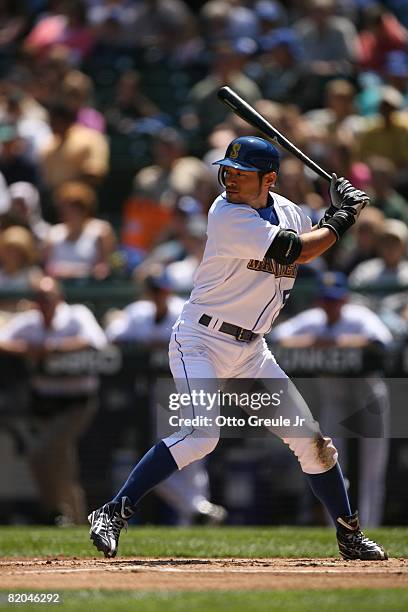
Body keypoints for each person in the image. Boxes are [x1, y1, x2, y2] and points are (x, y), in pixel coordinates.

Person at [88, 135, 387, 561]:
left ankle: (349, 534)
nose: (229, 179)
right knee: (202, 435)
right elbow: (297, 250)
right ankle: (113, 511)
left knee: (312, 441)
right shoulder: (226, 213)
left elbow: (322, 242)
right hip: (201, 339)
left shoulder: (290, 211)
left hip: (251, 349)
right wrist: (341, 217)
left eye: (241, 174)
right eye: (226, 171)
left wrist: (336, 207)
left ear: (268, 179)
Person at [105, 266, 227, 525]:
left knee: (197, 450)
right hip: (159, 390)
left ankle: (195, 510)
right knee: (168, 452)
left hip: (191, 383)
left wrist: (156, 342)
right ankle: (196, 509)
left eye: (163, 290)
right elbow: (112, 335)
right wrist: (145, 342)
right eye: (155, 290)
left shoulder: (183, 309)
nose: (160, 295)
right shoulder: (138, 313)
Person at [270, 271, 393, 527]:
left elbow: (382, 343)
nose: (330, 305)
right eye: (326, 300)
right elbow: (276, 338)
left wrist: (335, 342)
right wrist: (316, 342)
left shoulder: (360, 317)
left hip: (367, 398)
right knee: (330, 460)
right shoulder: (313, 320)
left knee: (372, 470)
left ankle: (370, 527)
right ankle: (339, 528)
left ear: (345, 299)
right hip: (334, 398)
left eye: (335, 300)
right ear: (318, 300)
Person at [0, 276, 107, 524]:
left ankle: (61, 514)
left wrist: (54, 346)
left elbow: (96, 341)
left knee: (44, 452)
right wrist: (28, 348)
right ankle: (68, 517)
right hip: (46, 404)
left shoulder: (76, 315)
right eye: (39, 299)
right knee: (60, 461)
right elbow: (3, 340)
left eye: (48, 298)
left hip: (78, 402)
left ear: (59, 298)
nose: (44, 303)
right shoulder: (29, 322)